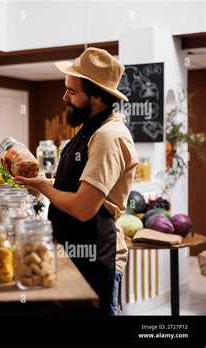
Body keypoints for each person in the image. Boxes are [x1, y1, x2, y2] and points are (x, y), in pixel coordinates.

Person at [15, 48, 138, 315]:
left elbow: (84, 208)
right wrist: (40, 182)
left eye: (72, 91)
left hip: (94, 258)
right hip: (73, 254)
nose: (64, 97)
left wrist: (43, 186)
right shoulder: (89, 130)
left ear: (96, 96)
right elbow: (70, 189)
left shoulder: (108, 136)